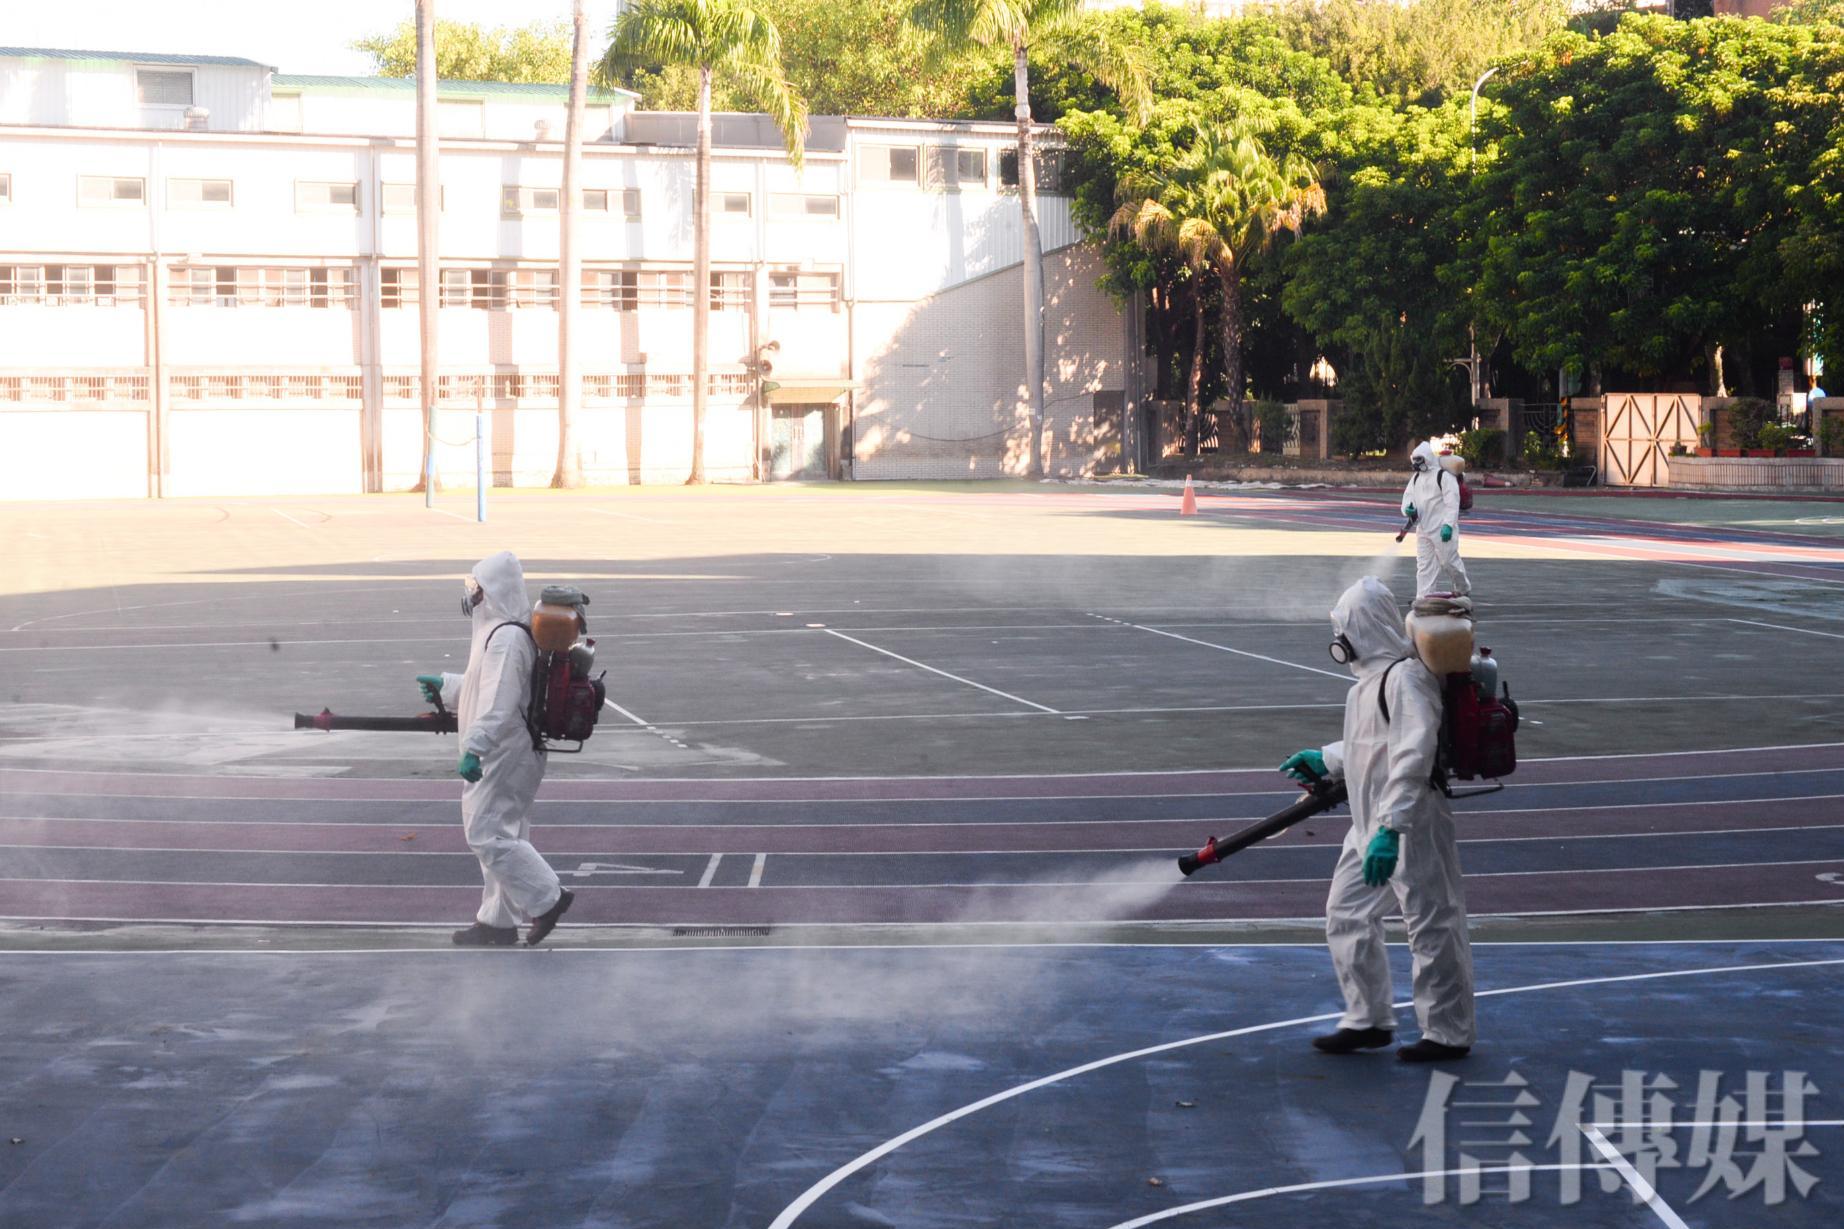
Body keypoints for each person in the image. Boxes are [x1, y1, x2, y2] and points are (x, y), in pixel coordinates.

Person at [1279, 576, 1475, 1062]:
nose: (1339, 639)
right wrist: (1327, 758)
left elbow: (1413, 753)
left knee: (1431, 923)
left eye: (1344, 627)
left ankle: (1447, 1033)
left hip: (1411, 821)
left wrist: (1391, 829)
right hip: (1369, 822)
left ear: (1361, 628)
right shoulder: (1363, 689)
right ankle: (1367, 1019)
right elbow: (1369, 746)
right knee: (1346, 913)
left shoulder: (1408, 678)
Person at [416, 551, 574, 947]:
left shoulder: (506, 638)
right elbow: (483, 688)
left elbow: (498, 703)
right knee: (506, 833)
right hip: (511, 748)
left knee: (486, 833)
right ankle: (498, 921)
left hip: (505, 751)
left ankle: (549, 899)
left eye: (478, 587)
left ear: (495, 591)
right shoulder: (502, 633)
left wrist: (474, 748)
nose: (473, 595)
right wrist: (447, 686)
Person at [1401, 441, 1470, 598]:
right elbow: (1408, 497)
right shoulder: (1416, 478)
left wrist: (1448, 525)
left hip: (1441, 528)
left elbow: (1452, 502)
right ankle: (1423, 597)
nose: (1417, 464)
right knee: (1424, 565)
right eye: (1415, 460)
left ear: (1427, 458)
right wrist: (1408, 509)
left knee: (1449, 562)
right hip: (1424, 529)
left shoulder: (1443, 476)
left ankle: (1463, 588)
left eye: (1419, 460)